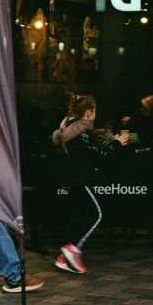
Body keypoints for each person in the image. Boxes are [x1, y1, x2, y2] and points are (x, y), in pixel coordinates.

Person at [53, 95, 128, 274]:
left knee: (80, 215)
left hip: (72, 179)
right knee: (97, 214)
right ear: (89, 112)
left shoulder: (69, 130)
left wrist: (109, 142)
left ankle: (65, 258)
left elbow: (90, 153)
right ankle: (74, 249)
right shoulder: (82, 132)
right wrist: (117, 143)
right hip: (82, 179)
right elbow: (100, 156)